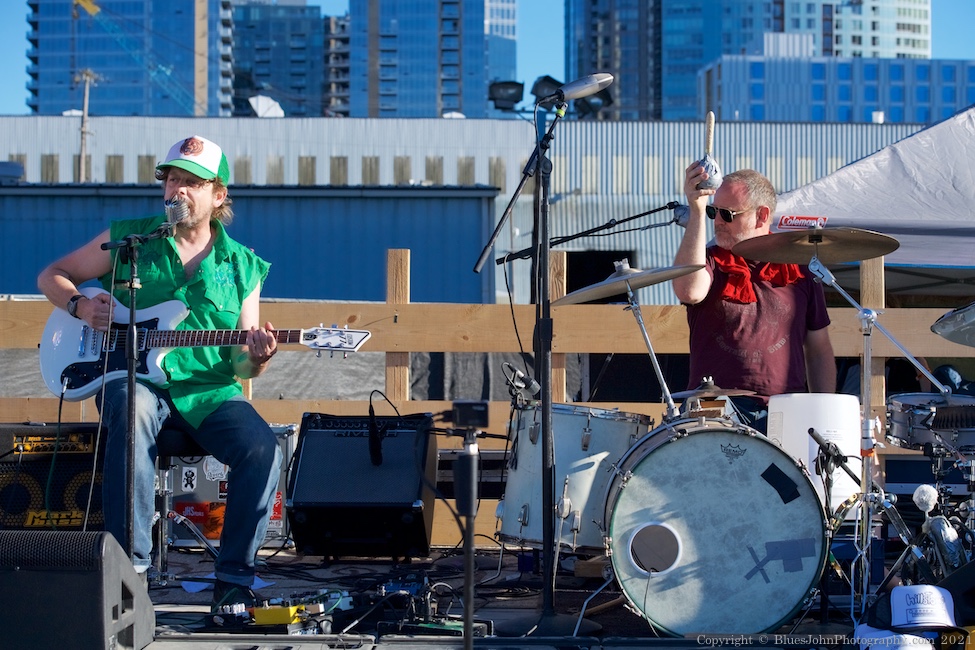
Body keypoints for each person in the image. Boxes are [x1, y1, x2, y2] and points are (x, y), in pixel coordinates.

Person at [37, 135, 282, 610]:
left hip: (209, 393)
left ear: (218, 195)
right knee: (133, 405)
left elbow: (240, 361)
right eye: (172, 179)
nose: (177, 190)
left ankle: (234, 580)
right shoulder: (131, 240)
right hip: (133, 381)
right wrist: (81, 304)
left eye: (192, 182)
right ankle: (131, 577)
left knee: (262, 448)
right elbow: (53, 274)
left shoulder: (243, 266)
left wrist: (260, 356)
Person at [672, 164, 836, 432]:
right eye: (715, 211)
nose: (718, 221)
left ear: (762, 216)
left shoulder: (800, 268)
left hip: (786, 409)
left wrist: (823, 415)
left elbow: (818, 350)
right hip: (715, 408)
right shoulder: (711, 260)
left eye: (727, 214)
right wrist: (698, 211)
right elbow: (689, 291)